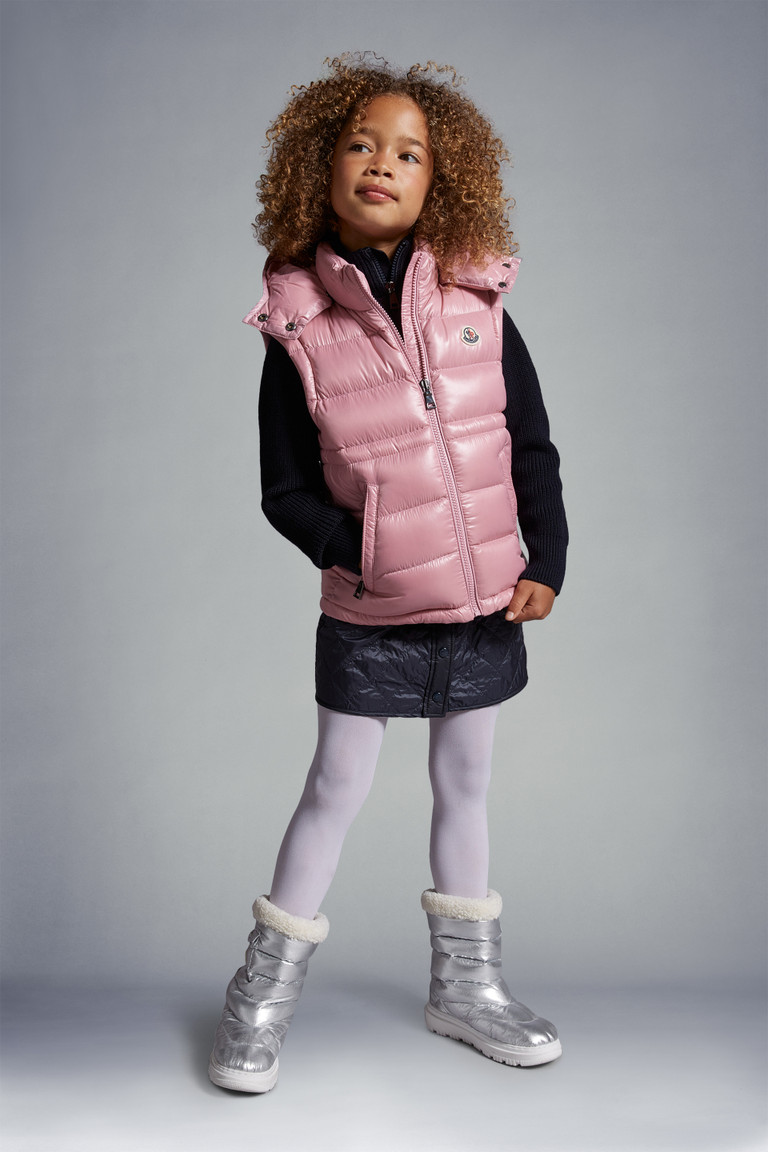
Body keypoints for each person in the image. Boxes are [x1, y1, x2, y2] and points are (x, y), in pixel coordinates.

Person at [208, 54, 568, 1094]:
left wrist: (546, 558)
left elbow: (531, 445)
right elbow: (285, 490)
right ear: (319, 169)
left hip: (485, 604)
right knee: (335, 786)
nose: (383, 163)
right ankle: (260, 998)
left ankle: (467, 989)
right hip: (372, 610)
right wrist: (358, 552)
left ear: (439, 183)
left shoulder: (477, 298)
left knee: (467, 782)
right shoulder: (298, 329)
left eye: (409, 153)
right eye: (361, 144)